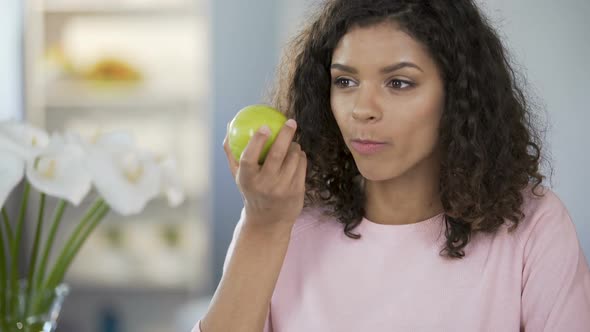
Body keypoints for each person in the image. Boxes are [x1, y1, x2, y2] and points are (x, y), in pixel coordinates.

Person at [195, 0, 590, 331]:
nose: (362, 110)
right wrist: (264, 227)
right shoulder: (283, 218)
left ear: (457, 96)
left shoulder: (532, 225)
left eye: (399, 83)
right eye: (345, 82)